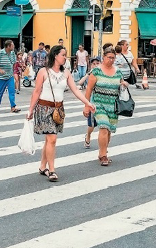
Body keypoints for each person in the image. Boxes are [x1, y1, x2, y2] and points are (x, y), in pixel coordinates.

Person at [28, 45, 95, 182]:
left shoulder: (66, 73)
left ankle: (42, 166)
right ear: (55, 55)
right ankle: (51, 170)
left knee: (49, 139)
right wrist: (30, 110)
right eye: (63, 55)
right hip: (43, 108)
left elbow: (76, 90)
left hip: (58, 110)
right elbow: (36, 91)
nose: (65, 57)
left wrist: (87, 103)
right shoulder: (43, 72)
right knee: (52, 139)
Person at [84, 44, 127, 166]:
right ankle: (103, 155)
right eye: (109, 57)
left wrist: (124, 84)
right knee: (103, 127)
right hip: (99, 104)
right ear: (104, 57)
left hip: (113, 105)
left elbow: (121, 85)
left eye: (113, 58)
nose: (111, 60)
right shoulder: (96, 71)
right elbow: (88, 90)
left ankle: (102, 151)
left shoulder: (118, 72)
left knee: (108, 131)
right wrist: (87, 105)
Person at [80, 56, 101, 148]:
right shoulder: (90, 75)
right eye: (93, 64)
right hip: (92, 102)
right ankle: (88, 135)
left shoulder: (104, 73)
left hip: (103, 103)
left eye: (97, 63)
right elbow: (80, 82)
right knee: (91, 125)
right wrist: (88, 74)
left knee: (104, 126)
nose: (95, 65)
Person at [0, 40, 20, 113]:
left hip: (10, 75)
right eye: (12, 45)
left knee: (11, 91)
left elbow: (14, 62)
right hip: (1, 77)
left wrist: (12, 69)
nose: (14, 46)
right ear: (8, 46)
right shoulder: (0, 53)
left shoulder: (12, 53)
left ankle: (13, 106)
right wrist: (0, 70)